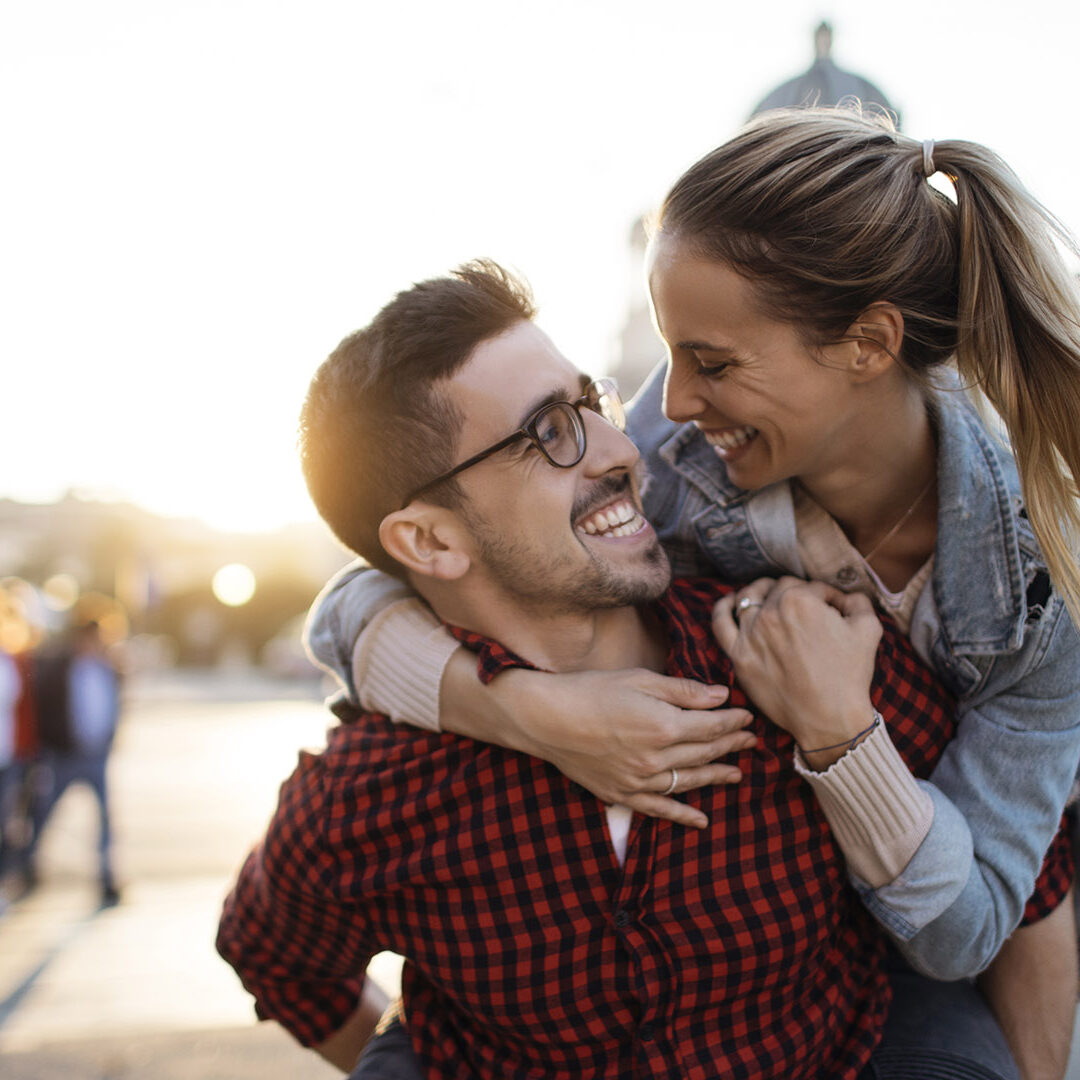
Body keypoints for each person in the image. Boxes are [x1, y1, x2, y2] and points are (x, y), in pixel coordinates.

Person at [305, 107, 1080, 1079]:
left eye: (711, 363)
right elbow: (364, 602)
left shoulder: (1040, 586)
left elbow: (976, 922)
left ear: (870, 344)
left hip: (955, 908)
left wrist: (841, 736)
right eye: (670, 354)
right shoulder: (678, 456)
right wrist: (530, 712)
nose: (664, 406)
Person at [22, 620, 122, 906]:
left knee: (103, 817)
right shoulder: (59, 668)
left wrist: (109, 738)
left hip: (96, 753)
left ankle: (105, 873)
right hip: (65, 754)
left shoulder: (106, 668)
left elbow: (112, 705)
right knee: (46, 811)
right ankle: (29, 861)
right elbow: (46, 709)